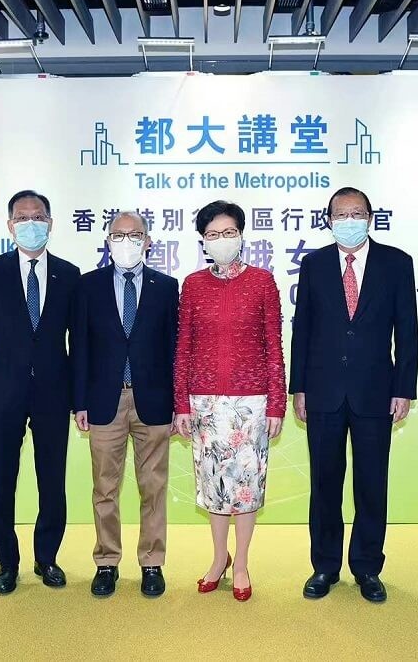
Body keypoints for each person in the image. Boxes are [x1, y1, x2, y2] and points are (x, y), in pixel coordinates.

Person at [291, 186, 418, 603]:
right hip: (323, 392)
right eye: (341, 214)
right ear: (329, 221)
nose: (349, 220)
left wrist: (403, 389)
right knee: (324, 484)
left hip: (376, 393)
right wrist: (299, 387)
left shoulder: (396, 263)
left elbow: (408, 332)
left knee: (371, 484)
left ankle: (367, 567)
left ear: (370, 217)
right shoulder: (313, 265)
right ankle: (324, 567)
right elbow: (302, 328)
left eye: (357, 213)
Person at [0, 189, 81, 595]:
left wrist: (79, 397)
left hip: (53, 392)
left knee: (52, 480)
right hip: (2, 391)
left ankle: (47, 557)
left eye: (38, 217)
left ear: (50, 223)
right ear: (10, 225)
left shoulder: (69, 274)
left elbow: (78, 341)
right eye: (22, 217)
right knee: (2, 481)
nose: (30, 223)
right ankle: (7, 562)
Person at [173, 200, 286, 602]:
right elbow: (183, 347)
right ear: (203, 241)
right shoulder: (193, 285)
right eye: (213, 234)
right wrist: (181, 404)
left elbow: (274, 346)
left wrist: (276, 403)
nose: (221, 239)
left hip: (251, 403)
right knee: (214, 487)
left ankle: (241, 564)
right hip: (204, 403)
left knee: (246, 488)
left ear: (241, 235)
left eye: (229, 232)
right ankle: (219, 558)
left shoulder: (263, 282)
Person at [71, 211, 179, 598]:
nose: (127, 242)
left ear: (148, 241)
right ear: (108, 241)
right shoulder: (88, 285)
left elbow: (174, 349)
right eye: (118, 235)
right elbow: (79, 346)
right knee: (105, 487)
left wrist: (178, 403)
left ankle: (152, 562)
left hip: (154, 401)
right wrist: (79, 401)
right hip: (104, 400)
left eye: (135, 235)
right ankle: (106, 562)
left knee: (153, 487)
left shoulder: (166, 286)